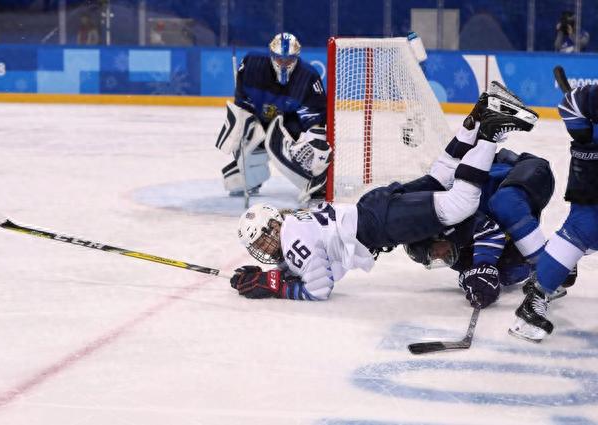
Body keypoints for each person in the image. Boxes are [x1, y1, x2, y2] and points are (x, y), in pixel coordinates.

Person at [229, 86, 540, 300]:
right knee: (440, 174)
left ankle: (489, 133)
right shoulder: (295, 225)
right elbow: (310, 262)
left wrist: (274, 286)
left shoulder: (291, 237)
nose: (266, 246)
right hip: (373, 207)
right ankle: (478, 116)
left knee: (461, 203)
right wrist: (270, 275)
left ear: (274, 225)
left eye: (263, 236)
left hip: (378, 224)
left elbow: (319, 288)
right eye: (260, 243)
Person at [403, 149, 575, 309]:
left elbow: (489, 231)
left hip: (523, 170)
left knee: (505, 203)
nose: (440, 258)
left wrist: (482, 265)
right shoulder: (455, 255)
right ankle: (560, 253)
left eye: (434, 252)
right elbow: (475, 273)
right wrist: (477, 285)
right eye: (433, 259)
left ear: (435, 235)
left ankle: (547, 264)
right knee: (507, 273)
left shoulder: (447, 216)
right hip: (519, 204)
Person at [509, 83, 598, 343]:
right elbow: (570, 104)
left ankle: (553, 272)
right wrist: (585, 139)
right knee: (585, 227)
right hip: (593, 173)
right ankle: (535, 298)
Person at [215, 32, 330, 202]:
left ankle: (309, 178)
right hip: (260, 122)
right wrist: (241, 128)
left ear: (296, 57)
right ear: (271, 55)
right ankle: (254, 176)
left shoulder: (308, 78)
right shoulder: (251, 66)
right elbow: (244, 105)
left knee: (290, 149)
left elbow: (316, 123)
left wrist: (314, 152)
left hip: (290, 126)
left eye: (289, 59)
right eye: (279, 59)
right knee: (234, 182)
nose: (284, 64)